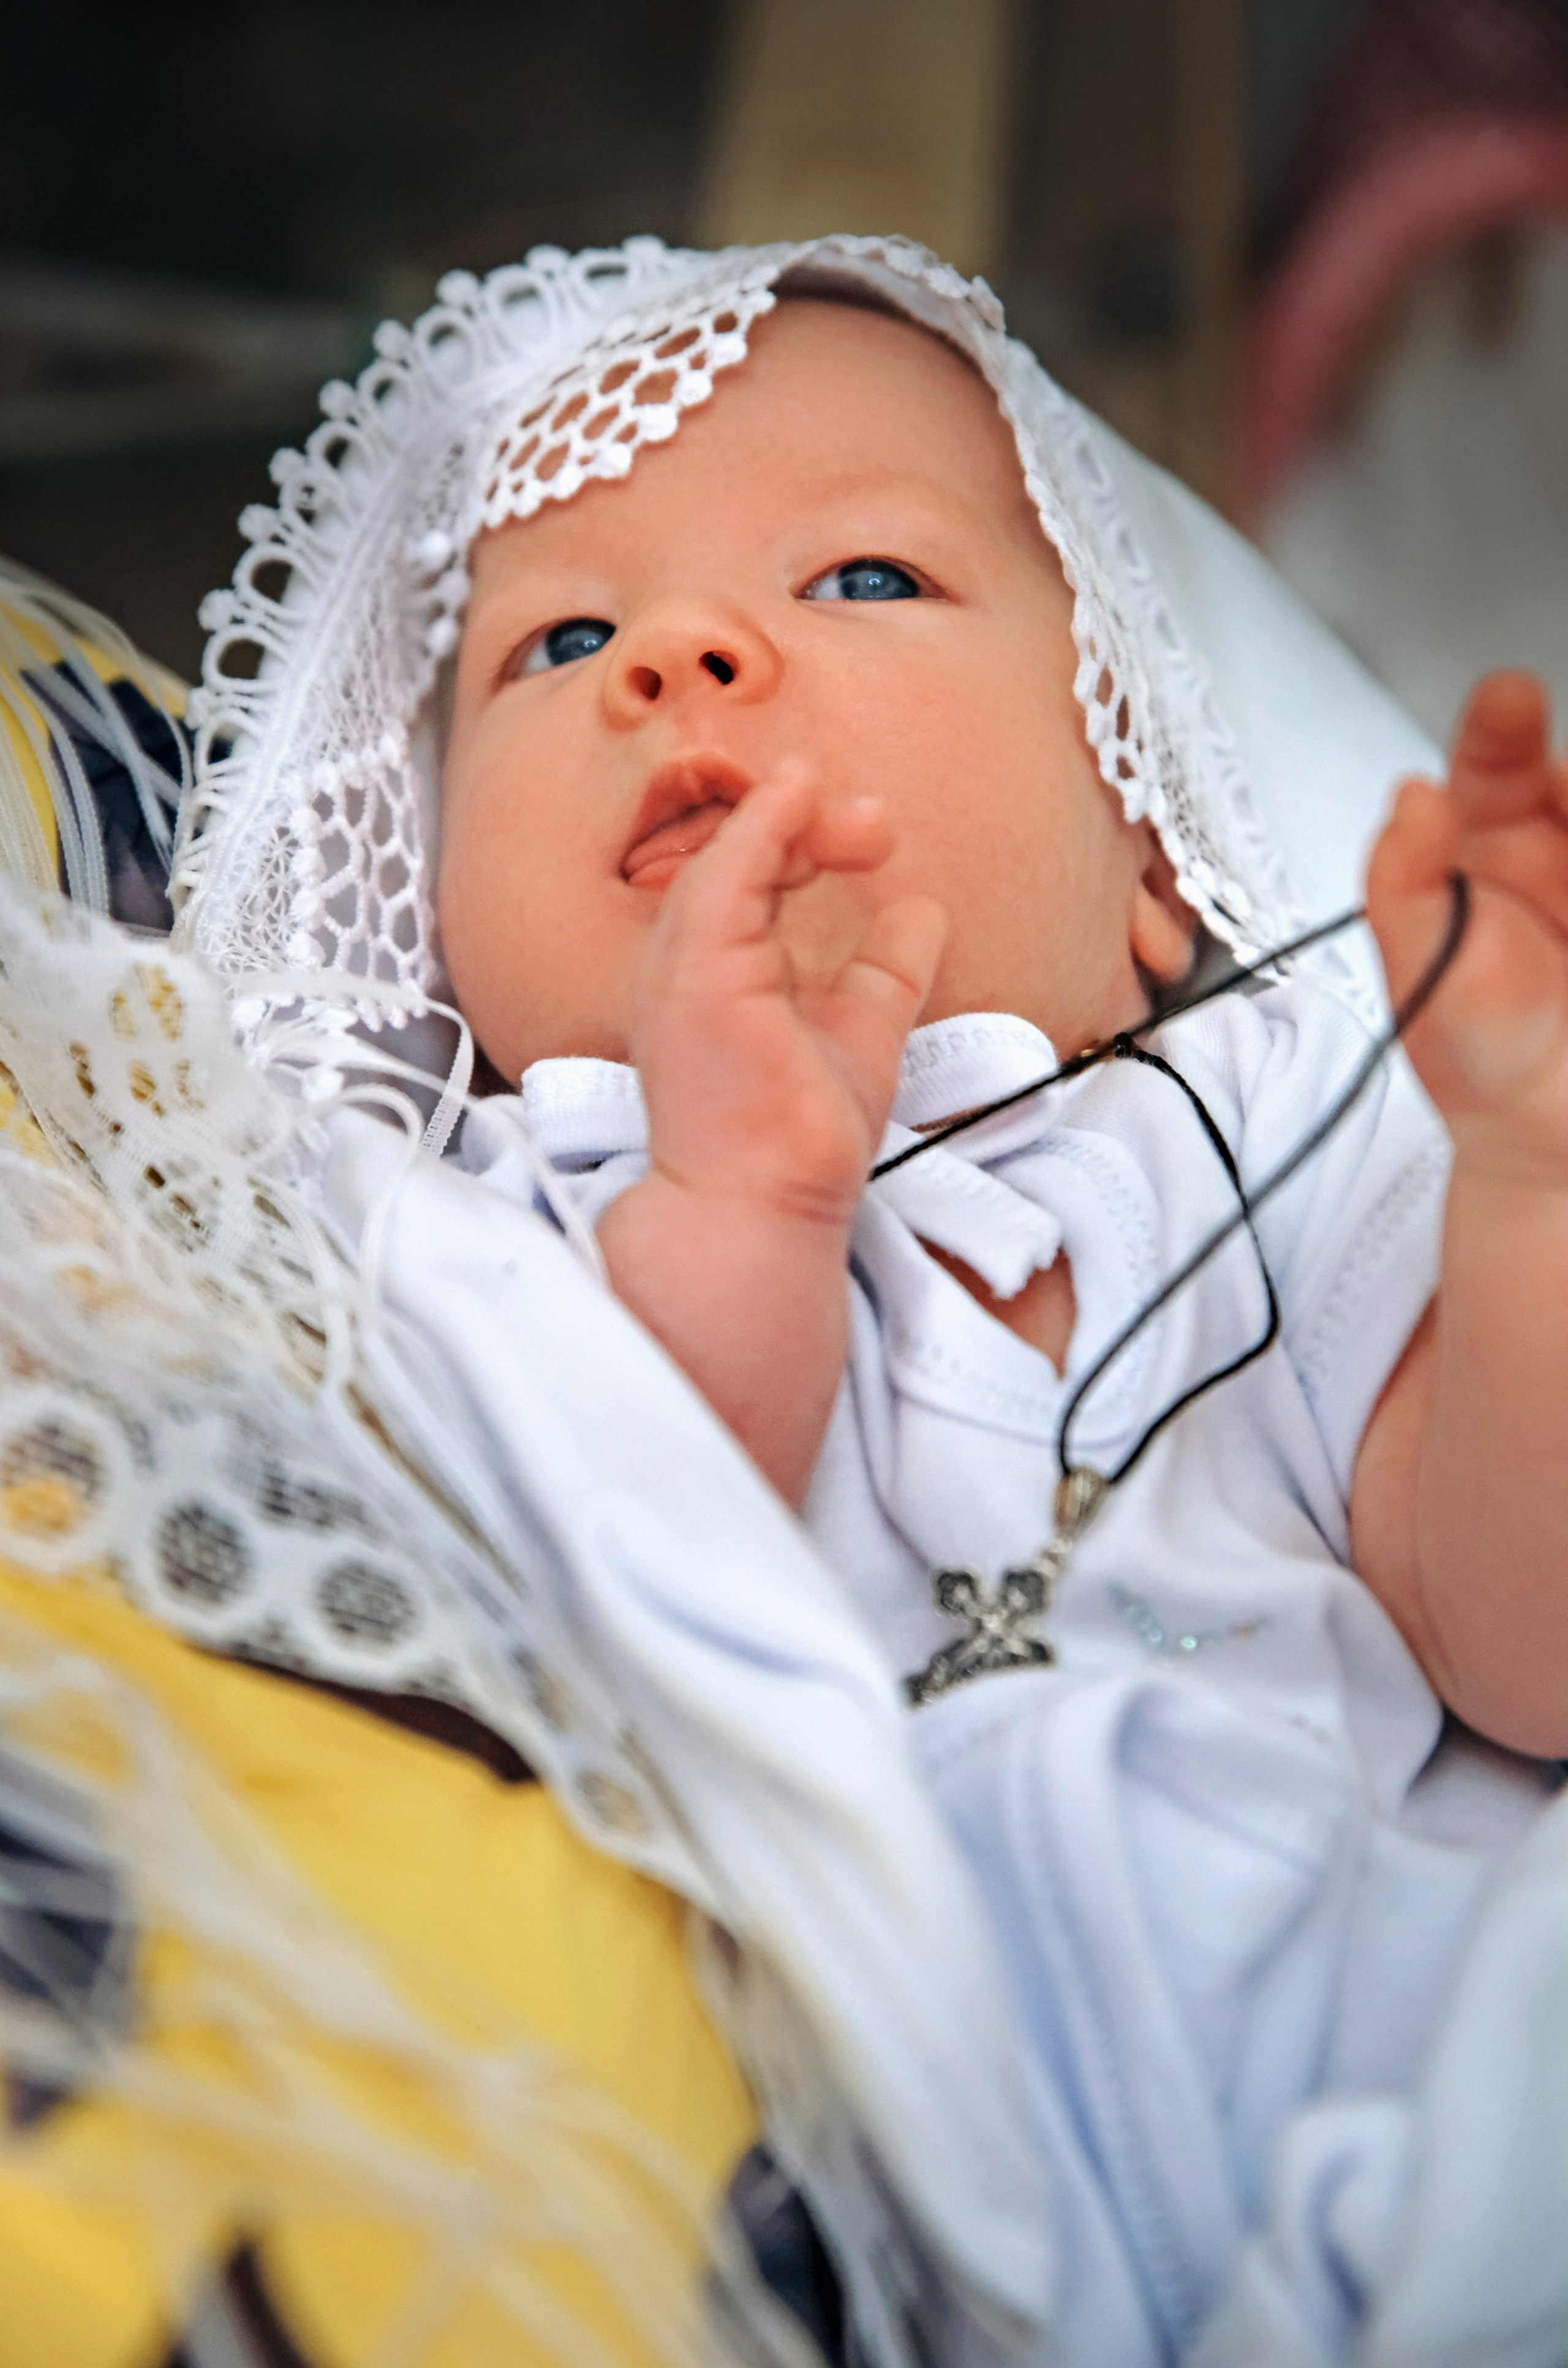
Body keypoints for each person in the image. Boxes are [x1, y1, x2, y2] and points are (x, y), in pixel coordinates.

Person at [6, 235, 1565, 2364]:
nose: (684, 657)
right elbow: (605, 1564)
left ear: (1156, 860)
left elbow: (1524, 1640)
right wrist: (734, 1199)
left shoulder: (1247, 1125)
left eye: (859, 584)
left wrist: (1525, 1182)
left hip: (1387, 2116)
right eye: (560, 641)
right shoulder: (488, 1208)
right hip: (867, 2196)